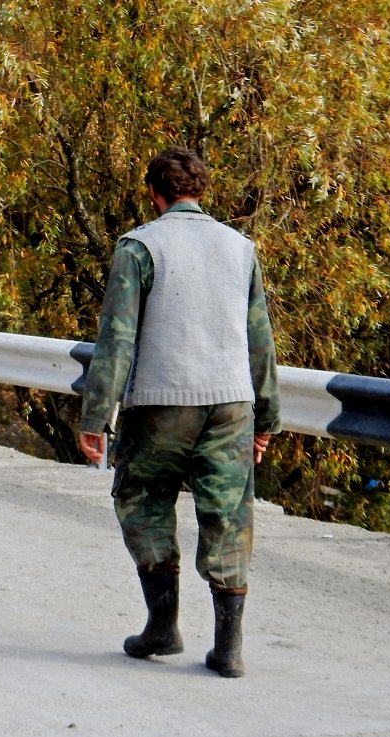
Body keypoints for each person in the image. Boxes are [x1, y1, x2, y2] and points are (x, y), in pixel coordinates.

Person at [78, 146, 281, 678]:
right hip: (231, 402)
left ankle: (162, 627)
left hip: (160, 403)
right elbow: (260, 340)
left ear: (154, 194)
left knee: (143, 500)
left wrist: (96, 416)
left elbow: (116, 340)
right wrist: (266, 419)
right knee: (229, 514)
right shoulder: (241, 248)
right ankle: (229, 648)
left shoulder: (139, 247)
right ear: (201, 191)